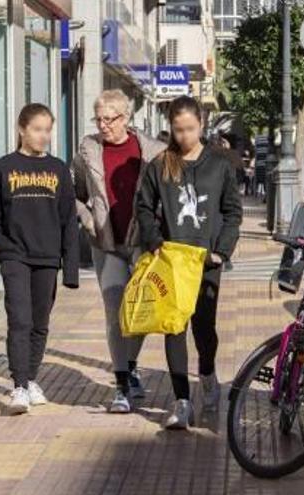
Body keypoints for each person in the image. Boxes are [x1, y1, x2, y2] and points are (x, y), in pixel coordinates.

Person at [135, 96, 242, 429]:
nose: (184, 136)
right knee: (173, 327)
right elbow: (143, 208)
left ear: (201, 125)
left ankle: (207, 372)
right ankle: (182, 401)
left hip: (206, 261)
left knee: (204, 329)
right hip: (172, 261)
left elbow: (232, 212)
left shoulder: (220, 163)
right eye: (178, 130)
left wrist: (221, 251)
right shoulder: (160, 165)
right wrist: (155, 243)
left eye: (190, 129)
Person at [0, 104, 79, 414]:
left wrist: (70, 269)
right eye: (37, 129)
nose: (43, 136)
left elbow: (68, 220)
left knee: (40, 324)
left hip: (47, 257)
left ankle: (32, 377)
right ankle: (19, 385)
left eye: (48, 130)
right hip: (15, 257)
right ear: (22, 129)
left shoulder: (59, 169)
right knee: (19, 320)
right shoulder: (3, 168)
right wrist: (2, 244)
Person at [72, 90, 166, 414]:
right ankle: (122, 385)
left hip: (141, 242)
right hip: (106, 244)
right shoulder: (88, 148)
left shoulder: (153, 152)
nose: (102, 125)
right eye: (98, 119)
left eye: (108, 119)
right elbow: (77, 193)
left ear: (125, 118)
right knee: (115, 314)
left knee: (139, 314)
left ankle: (131, 363)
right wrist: (87, 220)